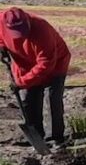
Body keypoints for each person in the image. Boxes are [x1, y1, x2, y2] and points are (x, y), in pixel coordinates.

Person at [0, 8, 71, 147]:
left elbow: (46, 64)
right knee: (29, 99)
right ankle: (36, 136)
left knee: (51, 99)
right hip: (25, 63)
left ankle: (55, 137)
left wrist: (21, 82)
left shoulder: (42, 29)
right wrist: (2, 47)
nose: (20, 36)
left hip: (55, 64)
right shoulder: (2, 20)